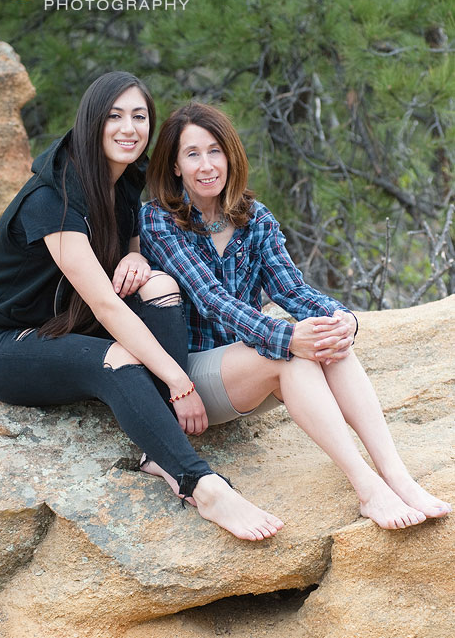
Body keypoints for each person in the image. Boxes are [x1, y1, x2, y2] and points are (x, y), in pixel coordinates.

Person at [0, 72, 285, 542]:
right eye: (114, 116)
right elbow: (107, 306)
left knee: (159, 283)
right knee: (117, 361)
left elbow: (131, 247)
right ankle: (201, 485)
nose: (128, 128)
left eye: (139, 116)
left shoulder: (125, 177)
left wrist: (135, 256)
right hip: (8, 339)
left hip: (73, 322)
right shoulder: (54, 197)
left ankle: (157, 442)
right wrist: (180, 381)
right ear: (92, 122)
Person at [139, 101, 451, 530]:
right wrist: (287, 338)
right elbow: (211, 300)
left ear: (231, 155)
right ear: (175, 166)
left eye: (215, 151)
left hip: (250, 366)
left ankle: (396, 475)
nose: (207, 165)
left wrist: (341, 319)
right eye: (192, 154)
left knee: (326, 340)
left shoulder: (255, 217)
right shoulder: (159, 219)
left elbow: (292, 290)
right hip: (194, 375)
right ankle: (368, 489)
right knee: (289, 350)